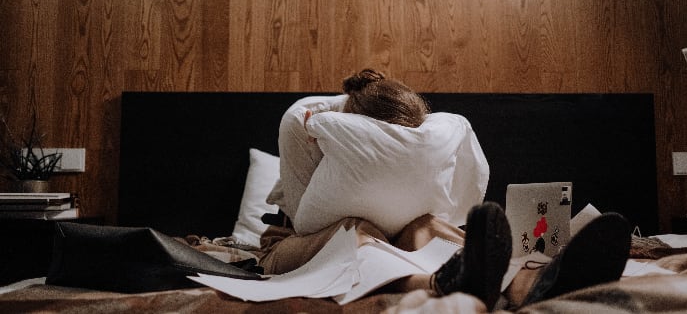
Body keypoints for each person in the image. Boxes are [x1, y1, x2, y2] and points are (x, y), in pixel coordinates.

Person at [256, 68, 631, 311]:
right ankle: (438, 281)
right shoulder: (305, 122)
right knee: (356, 229)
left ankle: (525, 281)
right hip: (291, 242)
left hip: (395, 234)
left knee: (425, 224)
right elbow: (306, 223)